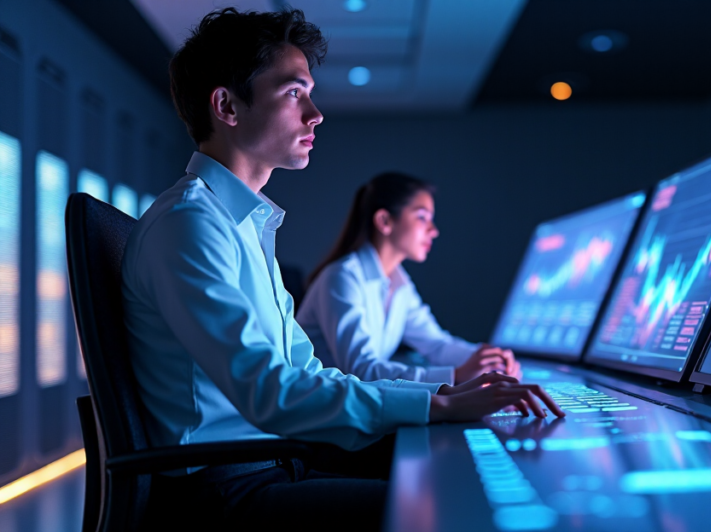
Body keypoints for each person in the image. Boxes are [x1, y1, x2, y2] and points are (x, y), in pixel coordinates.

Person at [120, 8, 562, 530]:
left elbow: (306, 375)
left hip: (275, 459)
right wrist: (438, 406)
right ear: (227, 106)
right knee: (454, 507)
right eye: (293, 92)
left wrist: (440, 395)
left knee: (466, 467)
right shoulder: (190, 226)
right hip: (224, 491)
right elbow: (270, 392)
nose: (315, 113)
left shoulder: (242, 223)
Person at [298, 172, 522, 385]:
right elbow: (360, 369)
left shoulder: (399, 284)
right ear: (385, 221)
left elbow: (436, 344)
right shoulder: (342, 277)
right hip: (316, 412)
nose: (434, 230)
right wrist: (456, 375)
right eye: (422, 217)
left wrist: (489, 358)